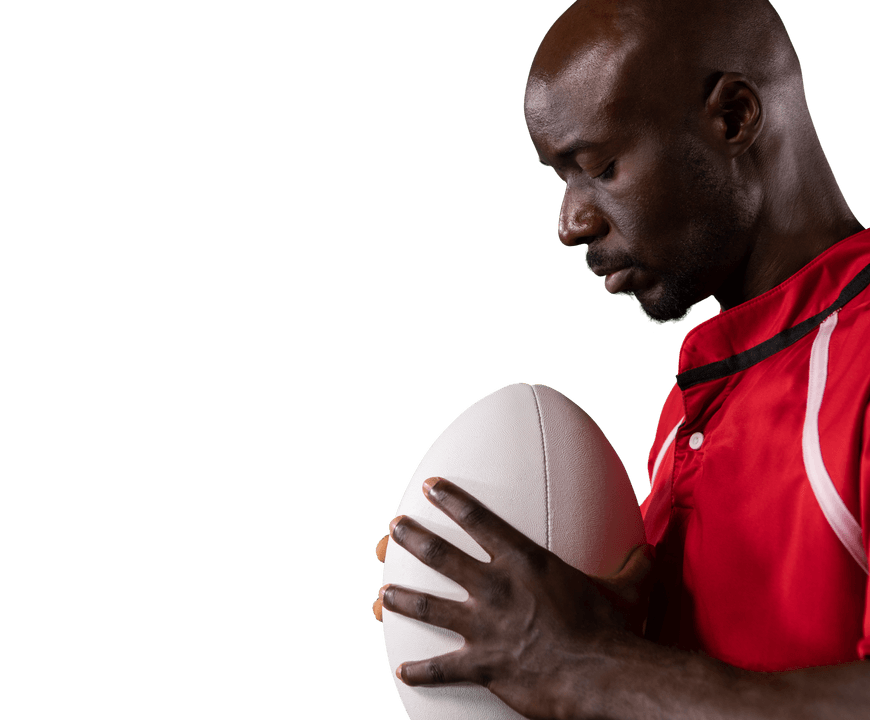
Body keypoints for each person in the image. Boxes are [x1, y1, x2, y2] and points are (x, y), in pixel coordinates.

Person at [371, 0, 870, 717]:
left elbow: (606, 675)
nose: (572, 223)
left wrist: (593, 664)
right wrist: (520, 619)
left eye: (600, 165)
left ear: (733, 118)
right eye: (561, 178)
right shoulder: (697, 409)